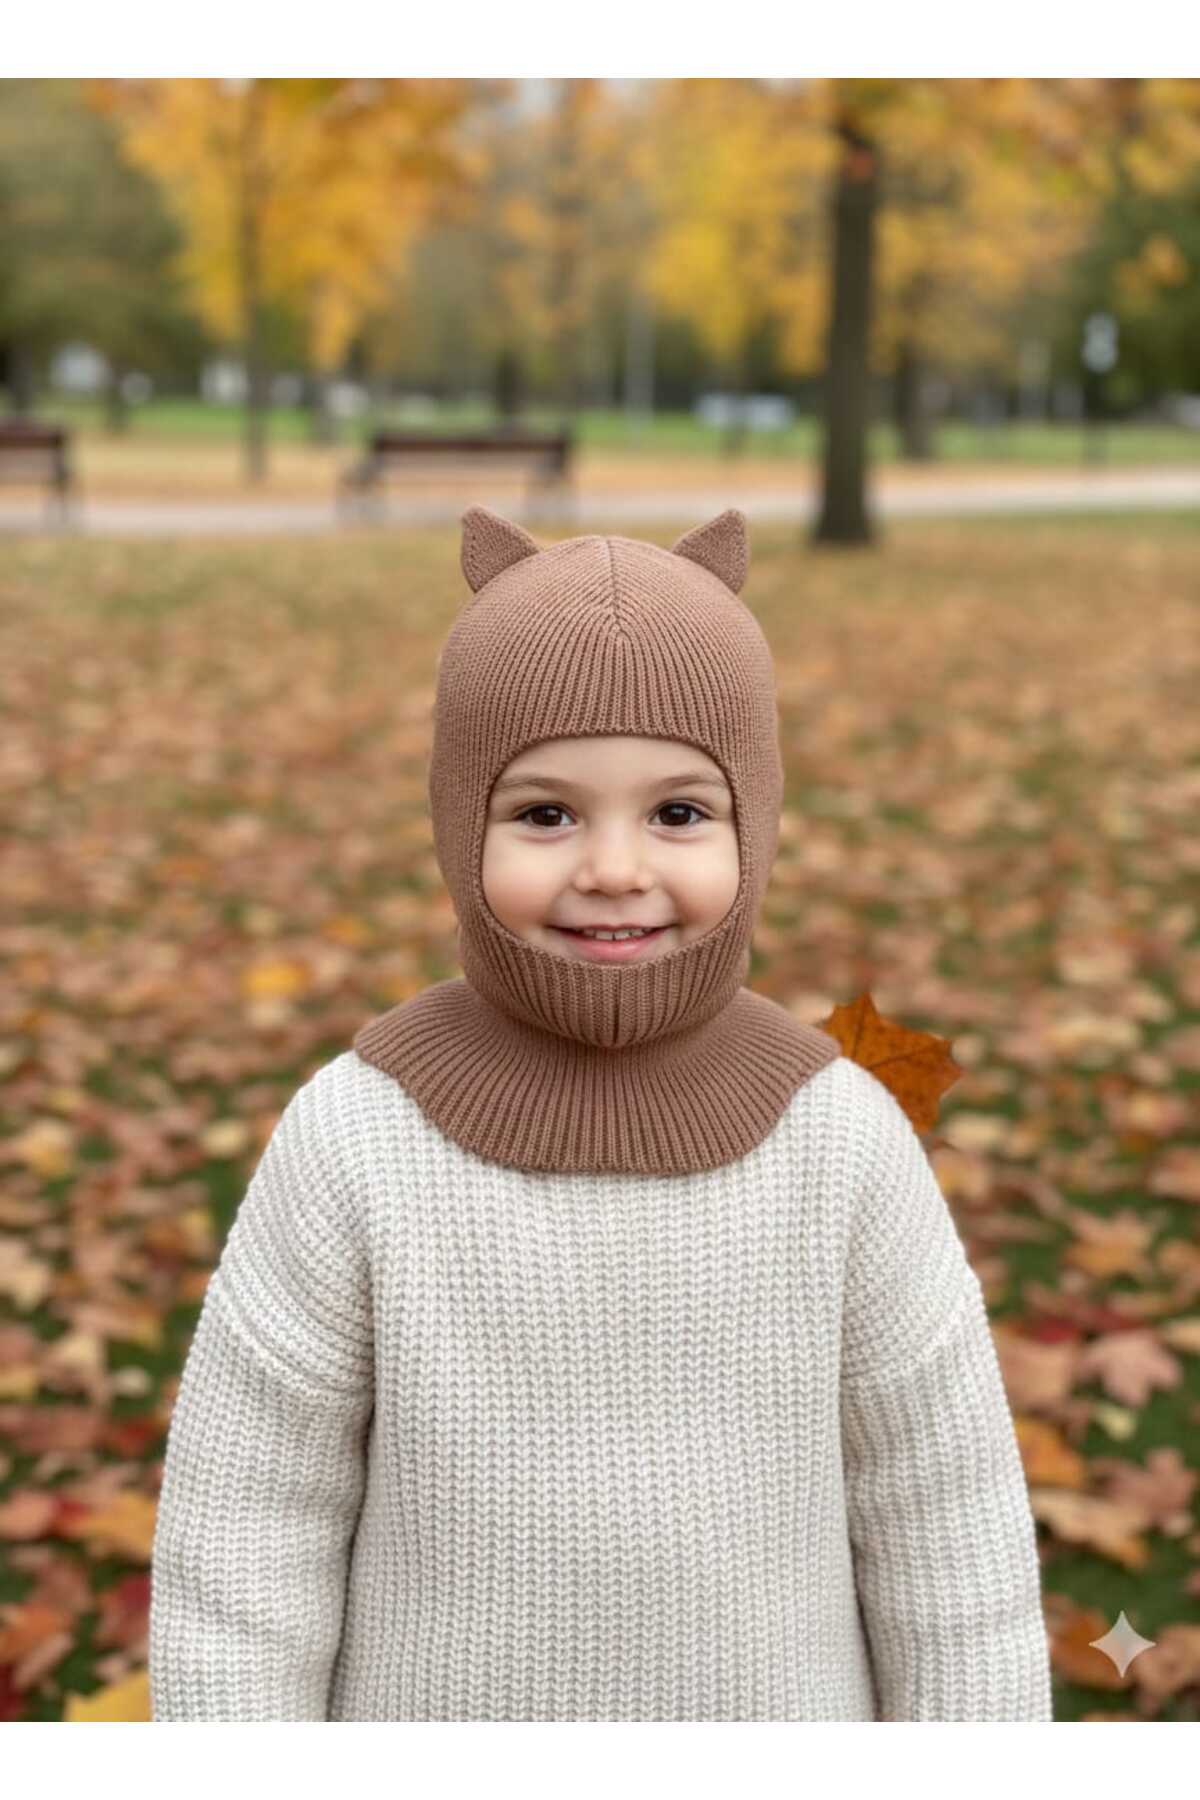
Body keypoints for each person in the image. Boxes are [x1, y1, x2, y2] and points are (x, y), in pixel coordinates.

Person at [148, 505, 1053, 1722]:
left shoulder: (840, 1142)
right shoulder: (357, 1137)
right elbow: (245, 1538)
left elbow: (949, 1533)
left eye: (678, 813)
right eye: (546, 813)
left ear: (756, 822)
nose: (615, 869)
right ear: (458, 821)